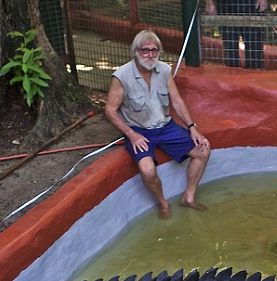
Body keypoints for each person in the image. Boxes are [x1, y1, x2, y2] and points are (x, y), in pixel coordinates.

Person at [105, 30, 211, 219]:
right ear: (135, 51)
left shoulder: (163, 70)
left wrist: (192, 127)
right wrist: (132, 134)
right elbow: (110, 111)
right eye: (145, 50)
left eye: (155, 50)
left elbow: (177, 101)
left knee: (203, 151)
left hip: (166, 126)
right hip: (138, 130)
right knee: (147, 169)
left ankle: (188, 196)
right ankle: (163, 203)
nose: (150, 55)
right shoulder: (121, 76)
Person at [206, 0, 267, 70]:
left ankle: (255, 77)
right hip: (227, 6)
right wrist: (209, 2)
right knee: (230, 50)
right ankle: (232, 77)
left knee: (255, 49)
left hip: (252, 5)